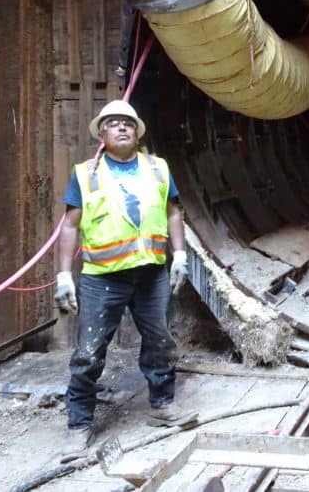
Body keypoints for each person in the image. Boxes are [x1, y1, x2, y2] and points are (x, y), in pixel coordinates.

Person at [55, 100, 196, 462]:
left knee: (161, 340)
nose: (121, 128)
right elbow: (70, 225)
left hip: (150, 273)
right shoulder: (86, 174)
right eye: (113, 123)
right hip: (102, 278)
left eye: (128, 123)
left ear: (137, 133)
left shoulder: (158, 168)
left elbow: (173, 211)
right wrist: (63, 278)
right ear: (101, 135)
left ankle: (162, 403)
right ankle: (78, 425)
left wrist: (180, 256)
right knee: (88, 352)